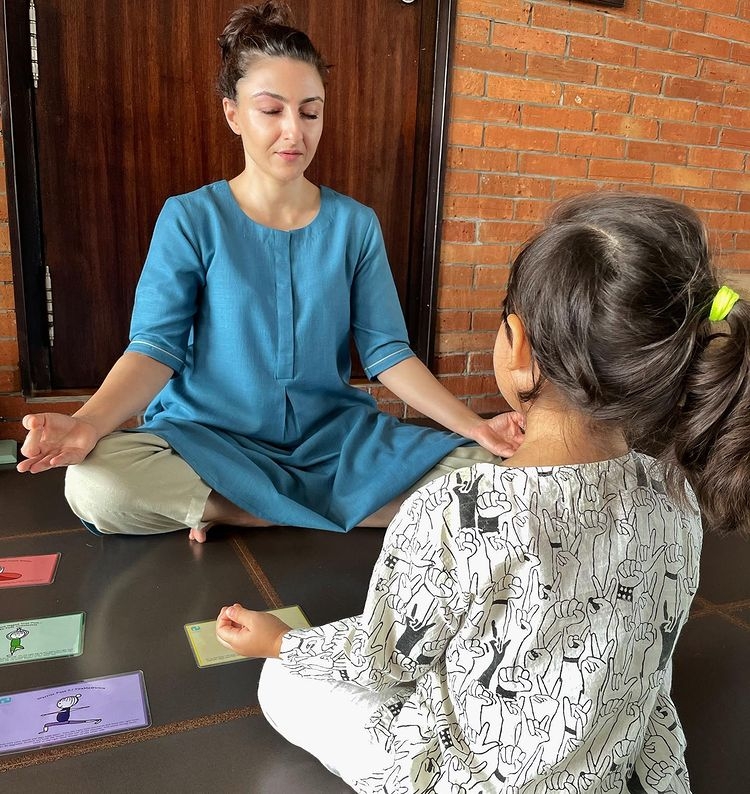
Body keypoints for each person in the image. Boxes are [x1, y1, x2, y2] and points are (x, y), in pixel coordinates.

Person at [214, 192, 750, 793]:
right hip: (605, 765)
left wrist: (283, 643)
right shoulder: (675, 494)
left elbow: (381, 659)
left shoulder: (454, 509)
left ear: (517, 349)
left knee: (283, 682)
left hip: (470, 778)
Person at [16, 1, 523, 541]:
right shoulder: (190, 217)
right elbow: (153, 350)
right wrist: (89, 424)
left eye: (310, 112)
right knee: (95, 484)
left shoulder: (356, 225)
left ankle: (232, 509)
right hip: (211, 442)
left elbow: (387, 352)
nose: (294, 132)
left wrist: (475, 425)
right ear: (233, 113)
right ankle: (305, 509)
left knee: (495, 476)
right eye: (271, 110)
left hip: (336, 442)